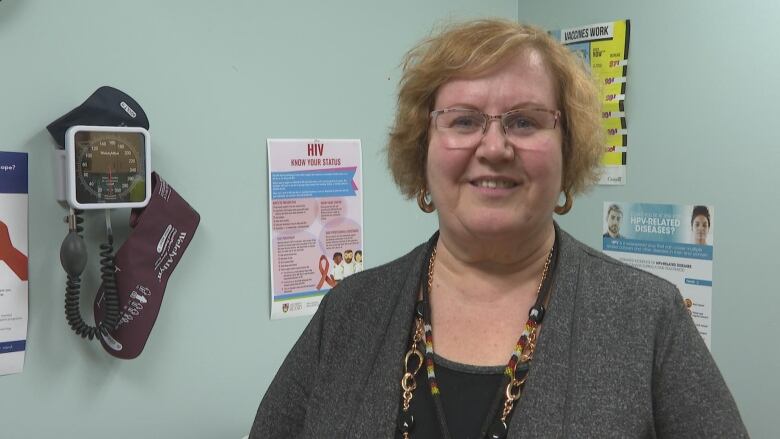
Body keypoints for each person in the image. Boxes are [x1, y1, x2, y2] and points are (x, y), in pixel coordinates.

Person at [251, 19, 747, 438]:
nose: (493, 147)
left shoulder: (649, 319)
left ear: (566, 150)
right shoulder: (348, 312)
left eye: (525, 122)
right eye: (464, 121)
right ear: (423, 147)